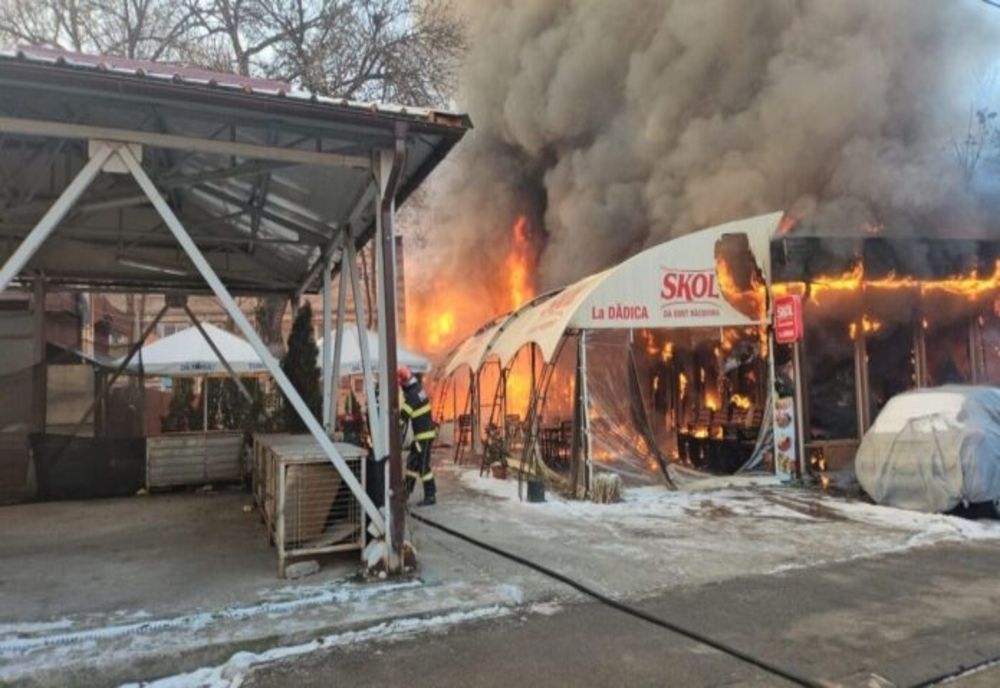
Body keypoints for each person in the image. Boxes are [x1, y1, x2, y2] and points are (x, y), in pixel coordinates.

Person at [398, 366, 437, 506]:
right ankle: (406, 492)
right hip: (422, 435)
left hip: (424, 436)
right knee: (412, 463)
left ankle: (430, 495)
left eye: (401, 386)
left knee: (423, 466)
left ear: (405, 384)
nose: (401, 390)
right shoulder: (418, 390)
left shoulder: (412, 396)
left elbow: (403, 417)